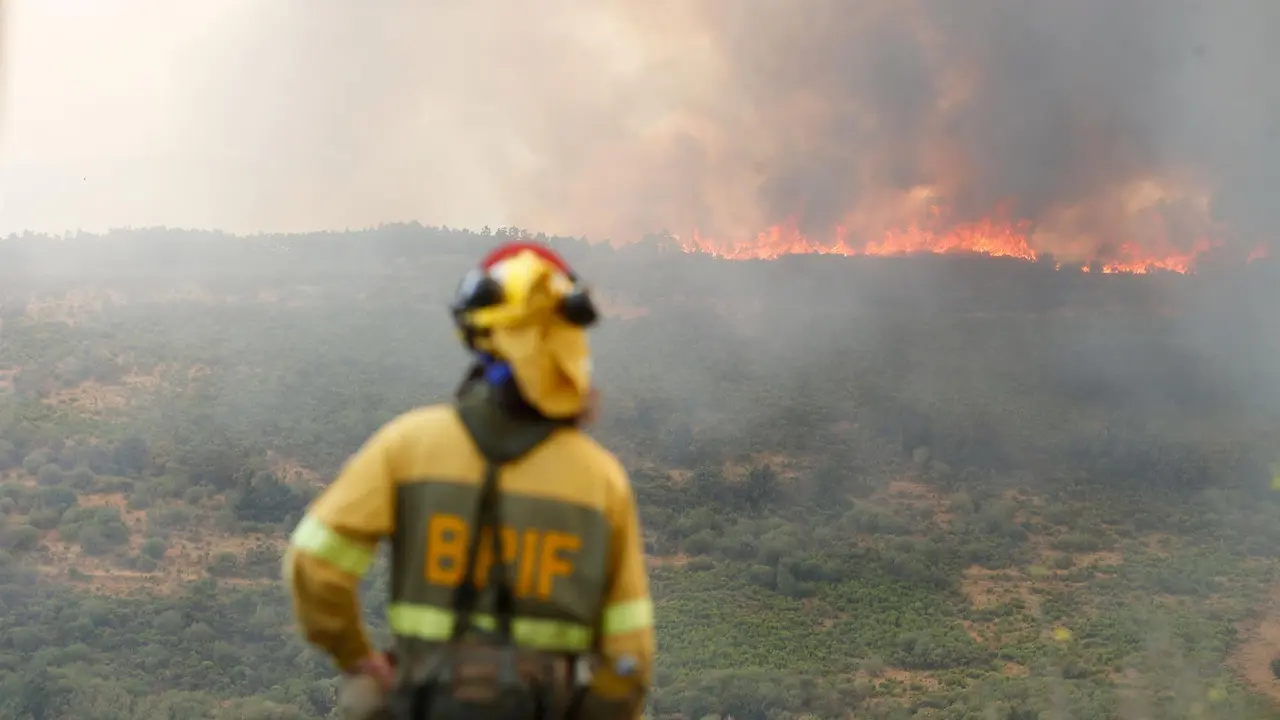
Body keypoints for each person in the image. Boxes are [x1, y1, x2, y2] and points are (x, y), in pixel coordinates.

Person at [282, 242, 654, 720]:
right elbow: (629, 659)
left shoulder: (407, 446)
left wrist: (358, 658)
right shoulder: (601, 481)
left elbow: (314, 565)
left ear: (477, 335)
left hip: (421, 703)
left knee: (362, 700)